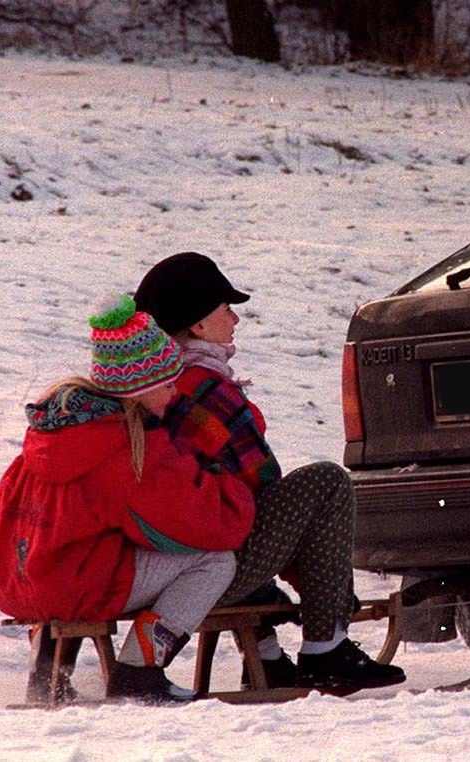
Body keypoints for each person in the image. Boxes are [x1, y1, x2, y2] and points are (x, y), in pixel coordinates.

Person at [135, 252, 405, 690]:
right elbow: (263, 494)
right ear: (199, 325)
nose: (236, 319)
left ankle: (267, 656)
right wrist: (323, 584)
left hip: (159, 566)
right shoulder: (206, 390)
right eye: (226, 309)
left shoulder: (153, 385)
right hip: (206, 573)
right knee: (326, 482)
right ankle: (327, 648)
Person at [0, 294, 256, 704]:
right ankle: (139, 669)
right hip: (71, 584)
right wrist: (232, 483)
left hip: (20, 578)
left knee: (107, 544)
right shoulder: (123, 449)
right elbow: (211, 522)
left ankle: (47, 668)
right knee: (215, 562)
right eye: (166, 384)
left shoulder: (58, 430)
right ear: (139, 388)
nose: (173, 394)